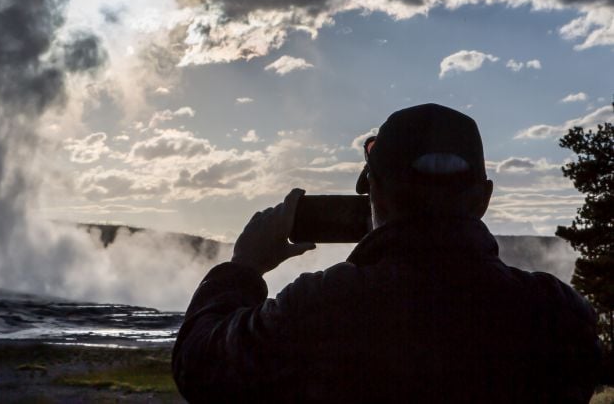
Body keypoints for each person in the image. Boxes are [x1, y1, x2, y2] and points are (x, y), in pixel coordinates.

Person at [172, 103, 601, 403]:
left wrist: (243, 267)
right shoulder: (558, 316)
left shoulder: (320, 308)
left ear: (374, 193)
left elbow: (200, 368)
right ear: (483, 199)